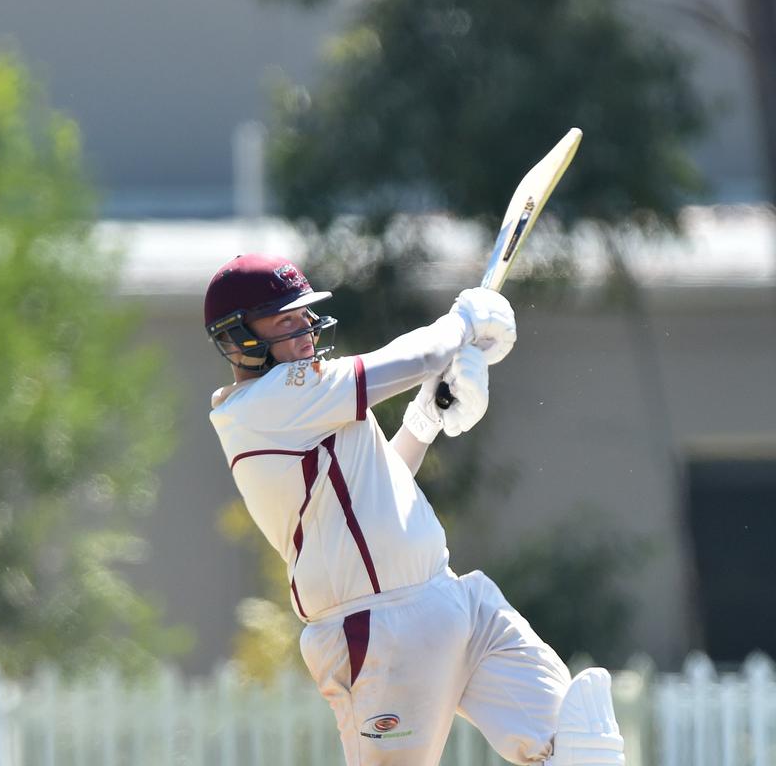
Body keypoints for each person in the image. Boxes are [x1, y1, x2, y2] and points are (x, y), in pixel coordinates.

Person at [204, 253, 625, 766]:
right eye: (286, 320)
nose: (305, 332)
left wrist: (424, 420)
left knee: (580, 744)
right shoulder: (268, 403)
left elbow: (382, 494)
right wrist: (462, 322)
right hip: (376, 632)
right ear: (236, 338)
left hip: (450, 598)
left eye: (304, 316)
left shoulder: (304, 403)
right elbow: (412, 359)